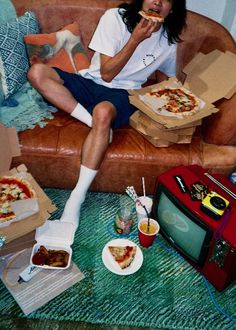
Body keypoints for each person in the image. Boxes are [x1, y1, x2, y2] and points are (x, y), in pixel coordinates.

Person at [28, 0, 187, 232]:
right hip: (91, 81)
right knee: (36, 72)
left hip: (123, 94)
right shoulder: (115, 18)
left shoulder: (167, 40)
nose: (157, 2)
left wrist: (175, 104)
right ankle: (93, 122)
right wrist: (135, 39)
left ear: (172, 9)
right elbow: (106, 73)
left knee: (103, 112)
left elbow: (170, 81)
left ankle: (76, 198)